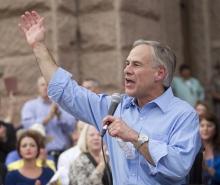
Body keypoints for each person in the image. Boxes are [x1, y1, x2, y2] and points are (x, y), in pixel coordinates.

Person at [19, 11, 201, 185]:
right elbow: (66, 92)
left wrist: (134, 137)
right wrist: (38, 47)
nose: (127, 70)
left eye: (136, 65)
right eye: (127, 63)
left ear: (159, 73)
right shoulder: (113, 107)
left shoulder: (183, 115)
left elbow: (177, 167)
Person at [21, 76, 77, 165]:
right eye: (43, 85)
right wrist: (49, 117)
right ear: (38, 88)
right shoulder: (30, 106)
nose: (46, 87)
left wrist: (59, 116)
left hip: (64, 154)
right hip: (41, 155)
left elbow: (72, 127)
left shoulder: (62, 105)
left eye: (48, 84)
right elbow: (28, 128)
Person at [57, 121, 85, 185]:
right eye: (82, 129)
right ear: (75, 134)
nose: (85, 133)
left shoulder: (105, 153)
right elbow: (66, 182)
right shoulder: (65, 156)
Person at [199, 113, 220, 184]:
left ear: (216, 130)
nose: (205, 129)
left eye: (209, 125)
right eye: (202, 126)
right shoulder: (192, 150)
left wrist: (209, 170)